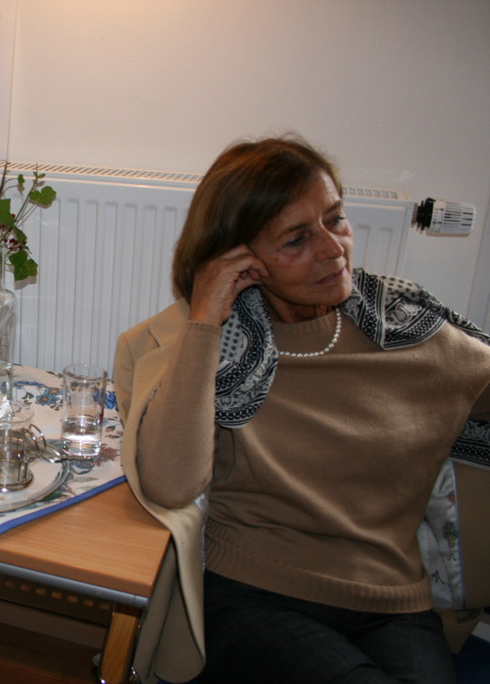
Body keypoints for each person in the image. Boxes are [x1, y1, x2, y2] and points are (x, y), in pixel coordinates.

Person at [114, 136, 490, 684]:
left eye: (335, 219)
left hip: (395, 604)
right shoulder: (217, 348)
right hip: (254, 594)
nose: (334, 249)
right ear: (239, 259)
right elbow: (170, 484)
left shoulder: (409, 332)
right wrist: (205, 320)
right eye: (296, 239)